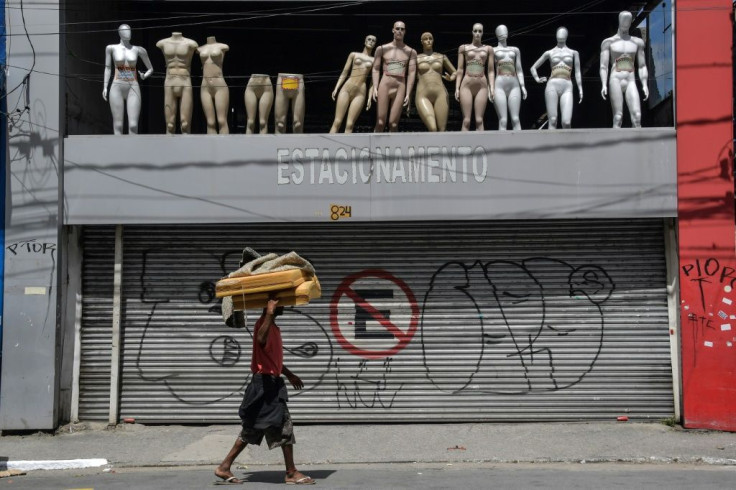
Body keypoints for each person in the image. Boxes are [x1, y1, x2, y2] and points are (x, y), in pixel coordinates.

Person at [215, 299, 315, 485]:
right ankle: (291, 472)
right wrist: (268, 314)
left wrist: (290, 375)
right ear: (271, 305)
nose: (284, 307)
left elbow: (272, 358)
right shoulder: (264, 323)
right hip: (264, 385)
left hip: (271, 383)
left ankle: (224, 466)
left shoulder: (273, 327)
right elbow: (260, 340)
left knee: (253, 428)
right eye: (281, 303)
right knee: (284, 424)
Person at [600, 10, 649, 128]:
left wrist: (644, 84)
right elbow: (603, 66)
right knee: (618, 116)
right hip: (615, 78)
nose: (625, 26)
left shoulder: (637, 42)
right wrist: (604, 84)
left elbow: (642, 66)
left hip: (630, 79)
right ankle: (615, 144)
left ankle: (638, 145)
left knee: (637, 116)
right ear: (619, 22)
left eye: (628, 23)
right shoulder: (608, 42)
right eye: (623, 23)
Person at [102, 24, 154, 135]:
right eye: (125, 31)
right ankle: (118, 150)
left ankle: (133, 150)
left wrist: (144, 75)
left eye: (129, 31)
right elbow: (107, 68)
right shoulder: (111, 48)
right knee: (118, 125)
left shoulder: (138, 50)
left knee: (133, 125)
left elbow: (150, 68)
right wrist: (105, 86)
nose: (128, 33)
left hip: (133, 86)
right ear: (119, 33)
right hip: (117, 86)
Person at [530, 27, 583, 129]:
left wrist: (580, 88)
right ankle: (552, 143)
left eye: (563, 34)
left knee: (566, 122)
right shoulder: (549, 52)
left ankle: (567, 143)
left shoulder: (574, 53)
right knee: (553, 120)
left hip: (567, 85)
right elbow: (533, 67)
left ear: (566, 36)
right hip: (552, 85)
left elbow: (577, 72)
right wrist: (537, 79)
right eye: (559, 34)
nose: (561, 36)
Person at [371, 21, 417, 132]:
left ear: (405, 31)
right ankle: (374, 147)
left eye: (402, 29)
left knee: (393, 123)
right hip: (385, 84)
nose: (399, 31)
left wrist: (408, 93)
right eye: (397, 28)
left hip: (400, 86)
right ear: (393, 30)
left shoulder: (411, 52)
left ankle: (393, 148)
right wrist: (375, 87)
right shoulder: (382, 49)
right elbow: (376, 68)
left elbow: (412, 73)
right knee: (381, 122)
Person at [329, 34, 377, 134]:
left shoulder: (374, 61)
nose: (371, 41)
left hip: (361, 91)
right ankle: (328, 147)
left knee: (350, 124)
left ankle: (347, 148)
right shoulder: (354, 54)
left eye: (373, 40)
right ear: (364, 41)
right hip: (347, 87)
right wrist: (336, 88)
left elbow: (373, 81)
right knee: (337, 121)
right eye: (369, 39)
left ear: (375, 44)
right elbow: (345, 72)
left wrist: (369, 97)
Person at [156, 32, 198, 134]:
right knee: (170, 124)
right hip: (170, 81)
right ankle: (169, 148)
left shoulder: (191, 43)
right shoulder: (162, 43)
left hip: (185, 81)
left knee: (185, 123)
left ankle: (187, 148)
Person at [455, 23, 494, 131]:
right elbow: (460, 69)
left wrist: (492, 88)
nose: (477, 33)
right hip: (467, 83)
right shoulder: (463, 48)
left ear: (483, 33)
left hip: (482, 84)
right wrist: (457, 88)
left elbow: (491, 71)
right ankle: (463, 147)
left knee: (479, 120)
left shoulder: (488, 49)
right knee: (466, 120)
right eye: (475, 31)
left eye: (480, 31)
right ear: (472, 32)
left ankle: (481, 147)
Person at [415, 32, 457, 132]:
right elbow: (411, 77)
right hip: (423, 94)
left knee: (442, 129)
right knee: (433, 128)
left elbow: (455, 72)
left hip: (440, 93)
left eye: (430, 38)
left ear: (433, 40)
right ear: (421, 42)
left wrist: (451, 78)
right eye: (425, 39)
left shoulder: (442, 57)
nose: (428, 40)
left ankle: (442, 148)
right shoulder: (416, 58)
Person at [493, 25, 526, 130]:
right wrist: (490, 88)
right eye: (501, 31)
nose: (503, 32)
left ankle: (520, 145)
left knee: (516, 119)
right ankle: (501, 145)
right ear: (497, 34)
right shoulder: (492, 50)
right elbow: (490, 71)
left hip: (514, 83)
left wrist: (523, 86)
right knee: (503, 120)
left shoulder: (515, 50)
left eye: (505, 30)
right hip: (499, 84)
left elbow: (519, 69)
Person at [197, 36, 230, 134]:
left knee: (221, 120)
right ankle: (211, 148)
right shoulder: (199, 49)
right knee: (210, 122)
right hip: (205, 86)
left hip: (219, 84)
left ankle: (224, 147)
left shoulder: (222, 47)